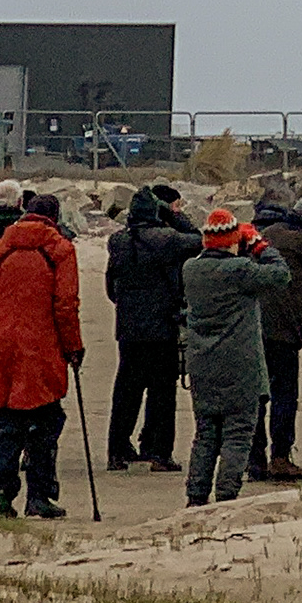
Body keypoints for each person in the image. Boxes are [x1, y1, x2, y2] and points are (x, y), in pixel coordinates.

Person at [0, 187, 83, 520]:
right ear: (54, 218)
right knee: (44, 424)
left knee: (3, 420)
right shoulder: (60, 249)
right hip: (39, 346)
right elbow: (65, 306)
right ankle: (39, 495)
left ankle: (2, 494)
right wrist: (73, 346)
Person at [179, 207, 287, 508]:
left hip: (202, 361)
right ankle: (226, 496)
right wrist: (259, 244)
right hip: (240, 364)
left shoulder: (191, 269)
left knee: (206, 433)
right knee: (238, 433)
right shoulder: (239, 271)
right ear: (232, 239)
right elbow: (280, 275)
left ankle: (196, 495)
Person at [102, 184, 196, 474]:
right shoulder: (166, 239)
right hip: (161, 325)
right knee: (162, 391)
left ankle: (117, 450)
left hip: (129, 326)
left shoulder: (118, 241)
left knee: (126, 390)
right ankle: (159, 452)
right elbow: (198, 240)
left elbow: (110, 285)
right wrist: (173, 214)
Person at [247, 195, 302, 481]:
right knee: (284, 393)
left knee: (256, 396)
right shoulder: (300, 240)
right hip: (283, 329)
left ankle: (255, 459)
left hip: (252, 327)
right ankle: (281, 458)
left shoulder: (265, 235)